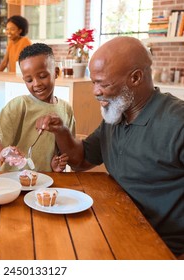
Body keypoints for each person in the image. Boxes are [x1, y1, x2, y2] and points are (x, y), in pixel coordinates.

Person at [36, 36, 184, 258]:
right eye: (93, 82)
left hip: (163, 248)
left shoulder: (177, 122)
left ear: (135, 77)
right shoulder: (116, 116)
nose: (95, 91)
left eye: (103, 83)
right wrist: (61, 131)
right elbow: (80, 160)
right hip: (116, 227)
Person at [0, 43, 75, 172]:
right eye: (29, 80)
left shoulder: (66, 110)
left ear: (55, 72)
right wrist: (2, 152)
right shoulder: (19, 105)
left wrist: (58, 163)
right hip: (14, 182)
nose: (36, 84)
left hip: (47, 183)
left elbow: (70, 150)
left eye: (42, 76)